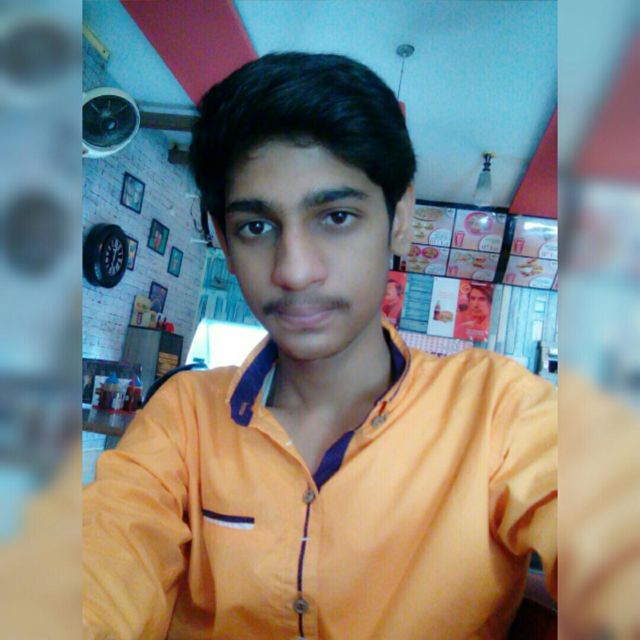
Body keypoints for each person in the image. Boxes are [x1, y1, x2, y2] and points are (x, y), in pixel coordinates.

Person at [83, 52, 556, 639]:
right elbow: (100, 564)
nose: (294, 270)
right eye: (256, 227)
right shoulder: (184, 418)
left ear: (399, 219)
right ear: (225, 243)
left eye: (336, 217)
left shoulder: (498, 411)